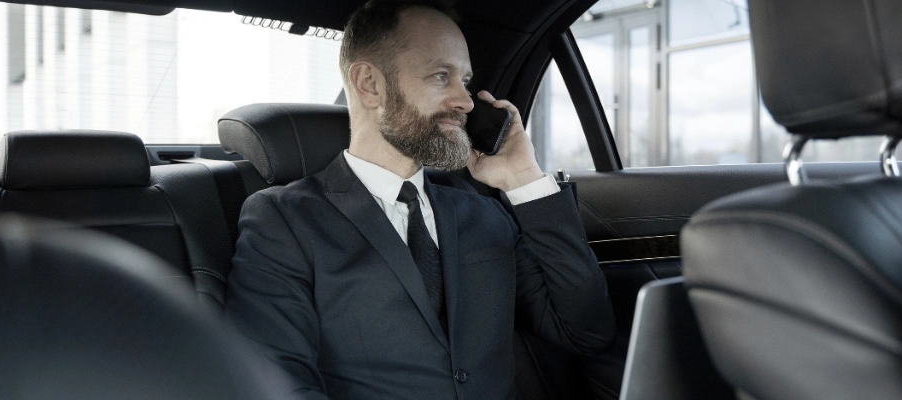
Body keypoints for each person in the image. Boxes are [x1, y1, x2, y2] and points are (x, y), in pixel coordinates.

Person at [223, 1, 616, 399]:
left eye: (465, 80)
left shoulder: (484, 214)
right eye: (441, 76)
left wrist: (524, 181)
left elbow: (587, 332)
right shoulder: (285, 220)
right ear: (370, 85)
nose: (465, 101)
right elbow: (275, 385)